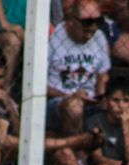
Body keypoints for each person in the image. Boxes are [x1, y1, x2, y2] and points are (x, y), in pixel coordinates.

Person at [47, 0, 111, 138]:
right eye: (87, 22)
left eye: (98, 21)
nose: (93, 27)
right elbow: (38, 84)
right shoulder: (53, 38)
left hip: (90, 100)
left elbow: (103, 75)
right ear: (71, 21)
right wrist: (69, 96)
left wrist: (101, 97)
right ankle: (76, 148)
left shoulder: (99, 37)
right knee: (74, 106)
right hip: (57, 101)